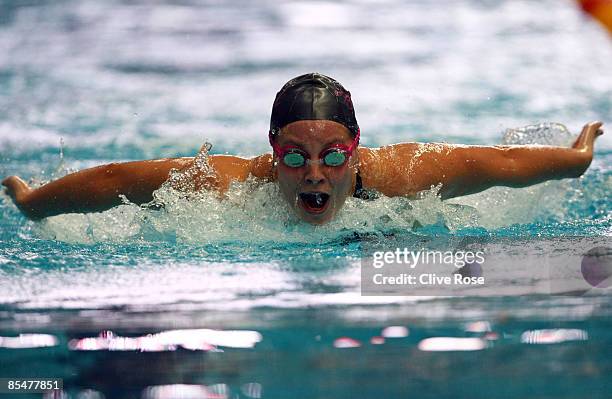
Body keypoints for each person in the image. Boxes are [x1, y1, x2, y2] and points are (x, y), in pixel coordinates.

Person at [1, 73, 604, 225]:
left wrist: (577, 160)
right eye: (294, 157)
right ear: (271, 150)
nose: (314, 175)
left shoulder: (399, 175)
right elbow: (117, 179)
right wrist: (32, 204)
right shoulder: (229, 185)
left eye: (332, 156)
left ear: (356, 147)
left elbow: (498, 165)